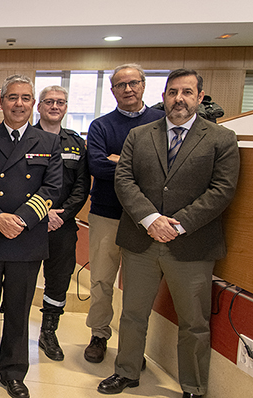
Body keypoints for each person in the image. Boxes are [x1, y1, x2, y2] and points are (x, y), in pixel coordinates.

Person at [97, 69, 239, 398]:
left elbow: (222, 190)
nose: (179, 99)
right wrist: (150, 219)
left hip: (192, 244)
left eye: (187, 92)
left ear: (200, 97)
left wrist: (177, 223)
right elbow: (124, 181)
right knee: (133, 313)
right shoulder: (140, 135)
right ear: (163, 96)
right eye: (173, 92)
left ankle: (193, 386)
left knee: (194, 322)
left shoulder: (221, 139)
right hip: (141, 241)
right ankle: (126, 371)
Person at [0, 75, 62, 398]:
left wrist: (20, 220)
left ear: (33, 104)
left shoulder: (48, 143)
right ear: (0, 102)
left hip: (26, 239)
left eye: (25, 98)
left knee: (19, 310)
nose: (19, 103)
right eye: (12, 97)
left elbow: (52, 188)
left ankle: (13, 371)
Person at [84, 64, 165, 363]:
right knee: (102, 280)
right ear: (112, 90)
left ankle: (132, 347)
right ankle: (99, 334)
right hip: (107, 214)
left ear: (144, 85)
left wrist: (122, 163)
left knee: (138, 287)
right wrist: (141, 168)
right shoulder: (101, 126)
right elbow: (97, 166)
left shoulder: (161, 122)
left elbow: (167, 171)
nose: (128, 89)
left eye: (133, 83)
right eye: (121, 85)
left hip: (145, 218)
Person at [32, 86, 90, 361]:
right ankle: (15, 332)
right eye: (49, 102)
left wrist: (61, 215)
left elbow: (81, 187)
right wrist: (40, 214)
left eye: (61, 102)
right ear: (39, 106)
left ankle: (48, 331)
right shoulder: (24, 139)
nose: (55, 106)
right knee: (21, 280)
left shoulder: (76, 143)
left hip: (62, 226)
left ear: (66, 107)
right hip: (29, 225)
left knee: (58, 281)